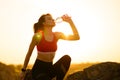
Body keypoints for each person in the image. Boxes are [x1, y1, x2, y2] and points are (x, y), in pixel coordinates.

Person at [20, 13, 80, 80]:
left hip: (50, 68)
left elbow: (76, 37)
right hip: (39, 70)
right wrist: (23, 70)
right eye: (49, 19)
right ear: (44, 23)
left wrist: (70, 22)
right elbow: (29, 54)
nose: (53, 19)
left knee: (67, 58)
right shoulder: (38, 36)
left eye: (52, 18)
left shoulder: (57, 35)